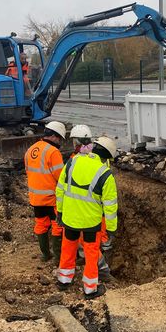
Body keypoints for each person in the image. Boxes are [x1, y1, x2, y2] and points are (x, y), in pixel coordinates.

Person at [56, 136, 118, 299]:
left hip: (70, 217)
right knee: (91, 254)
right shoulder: (105, 174)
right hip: (91, 221)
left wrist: (60, 212)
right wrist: (111, 229)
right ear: (106, 157)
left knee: (68, 247)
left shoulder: (73, 162)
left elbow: (60, 189)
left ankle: (64, 280)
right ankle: (90, 289)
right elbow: (110, 207)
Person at [24, 121, 67, 263]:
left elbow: (28, 172)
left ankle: (45, 255)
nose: (60, 141)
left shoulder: (31, 149)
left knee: (41, 224)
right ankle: (58, 258)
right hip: (51, 198)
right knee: (57, 225)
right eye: (60, 138)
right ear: (54, 136)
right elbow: (61, 177)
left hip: (36, 198)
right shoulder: (53, 152)